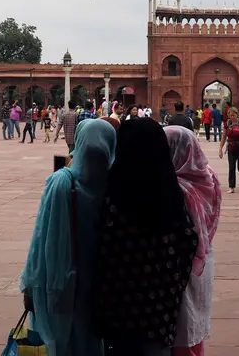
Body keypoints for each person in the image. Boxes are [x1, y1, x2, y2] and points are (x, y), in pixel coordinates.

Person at [93, 118, 198, 356]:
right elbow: (189, 242)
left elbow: (102, 250)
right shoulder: (171, 191)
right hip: (158, 310)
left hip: (118, 310)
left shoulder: (114, 192)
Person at [20, 119, 116, 356]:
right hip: (98, 283)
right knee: (90, 340)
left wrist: (31, 285)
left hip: (61, 281)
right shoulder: (116, 186)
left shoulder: (61, 181)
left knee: (60, 342)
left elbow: (42, 238)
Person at [164, 126, 222, 356]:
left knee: (181, 320)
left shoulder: (174, 187)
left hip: (180, 262)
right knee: (194, 317)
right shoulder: (208, 175)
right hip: (203, 255)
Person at [219, 107, 239, 193]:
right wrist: (220, 149)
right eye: (230, 115)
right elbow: (223, 136)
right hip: (231, 148)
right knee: (231, 168)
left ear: (237, 114)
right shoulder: (228, 123)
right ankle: (232, 187)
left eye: (233, 115)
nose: (232, 117)